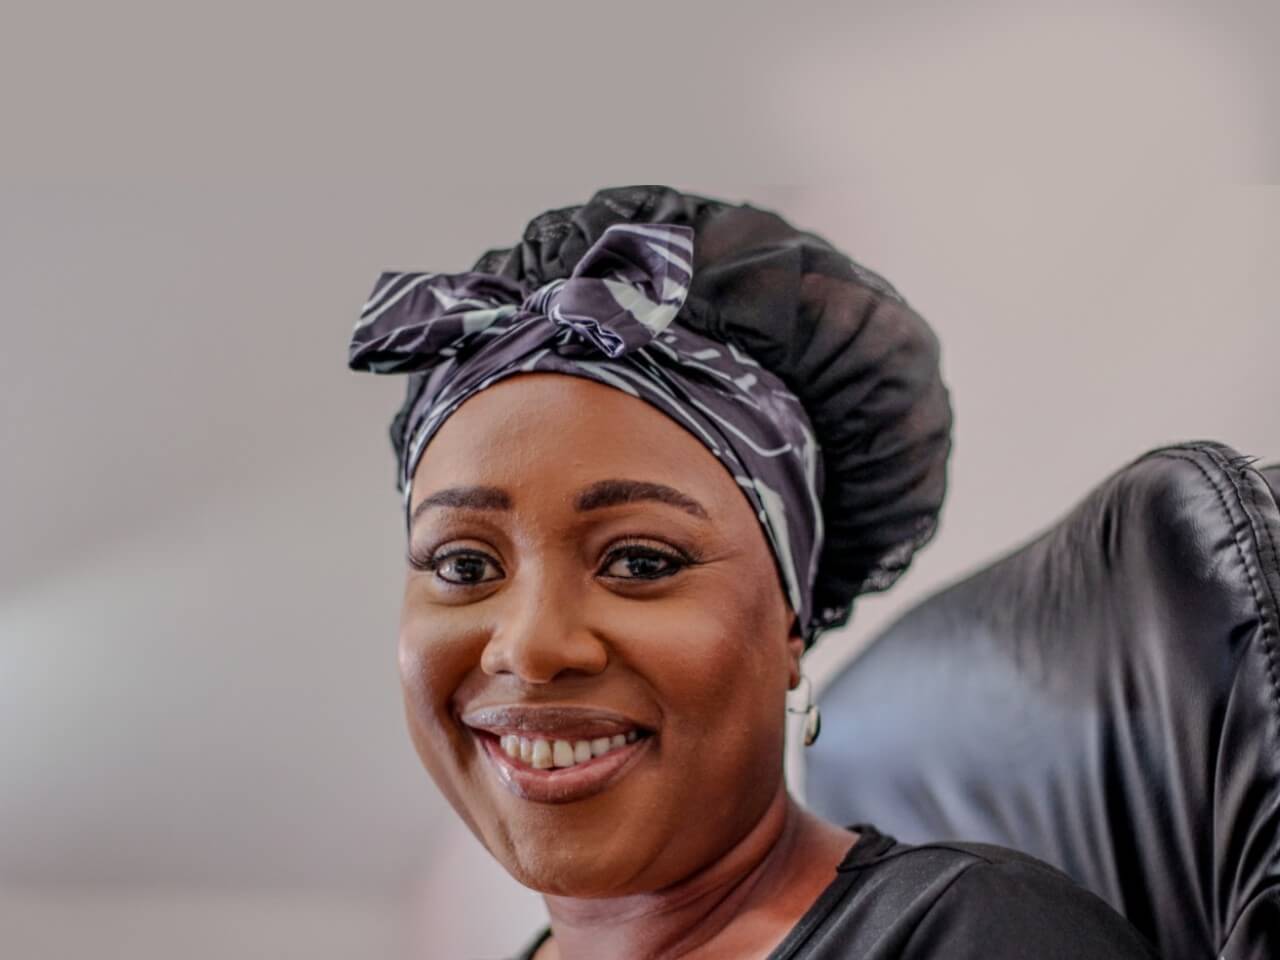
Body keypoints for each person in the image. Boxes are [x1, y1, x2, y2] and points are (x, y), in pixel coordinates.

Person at [348, 186, 1158, 959]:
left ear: (789, 623)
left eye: (639, 561)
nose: (529, 647)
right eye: (463, 562)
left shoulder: (979, 938)